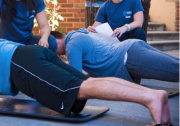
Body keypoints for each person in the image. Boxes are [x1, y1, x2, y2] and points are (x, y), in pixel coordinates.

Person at [0, 30, 172, 125]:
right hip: (29, 55)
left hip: (20, 65)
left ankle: (149, 98)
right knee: (85, 84)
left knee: (81, 89)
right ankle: (153, 96)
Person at [51, 29, 179, 84]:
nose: (60, 55)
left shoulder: (72, 44)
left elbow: (76, 79)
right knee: (176, 64)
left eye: (56, 52)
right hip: (133, 46)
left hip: (128, 57)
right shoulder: (83, 33)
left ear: (56, 42)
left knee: (175, 71)